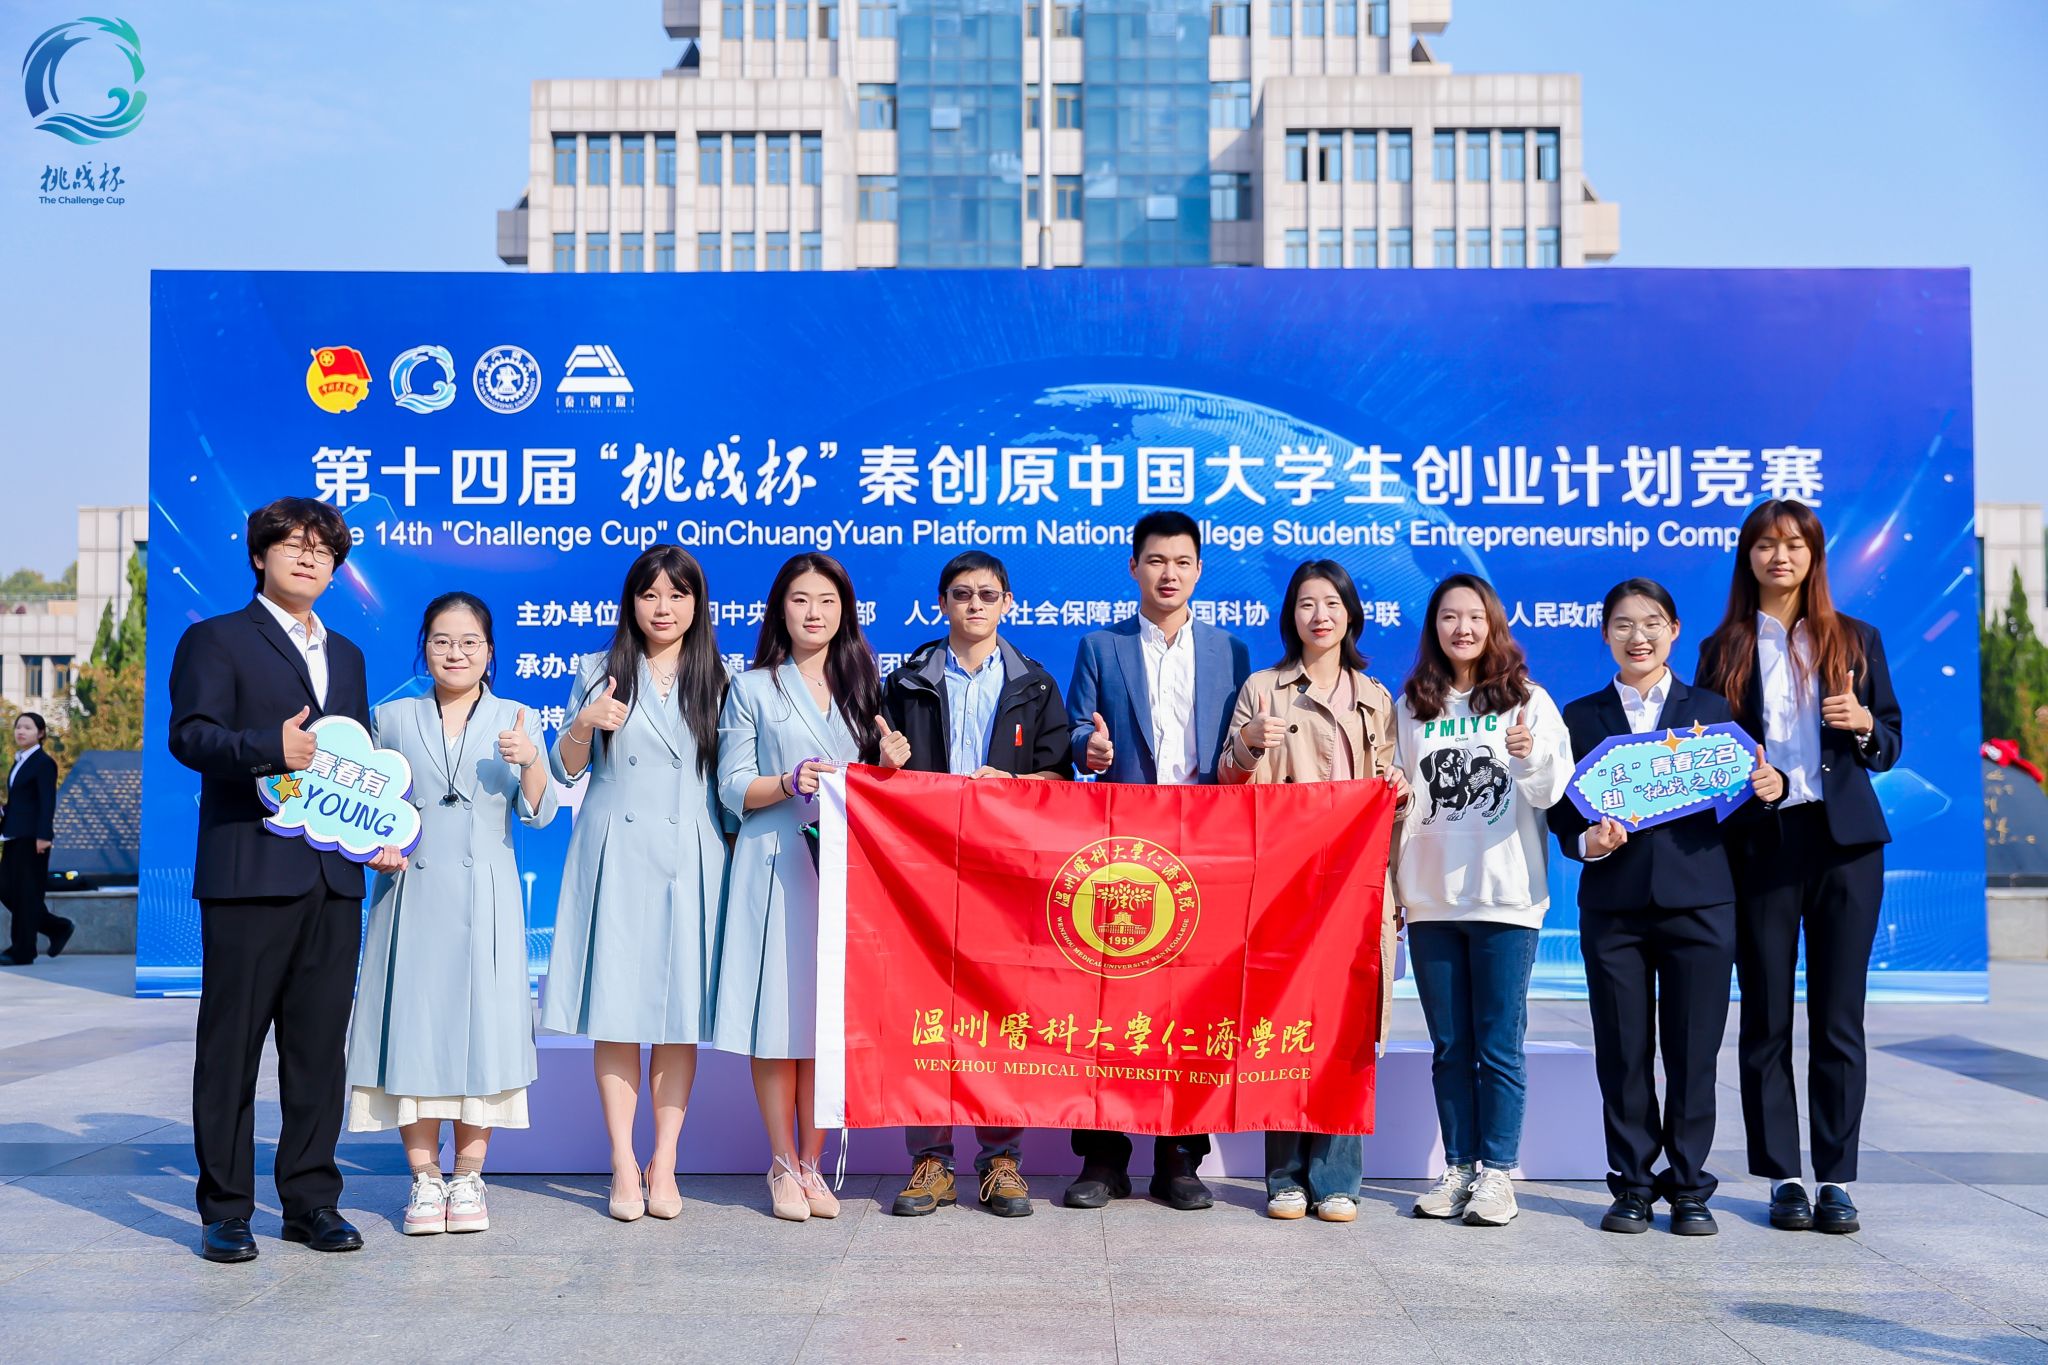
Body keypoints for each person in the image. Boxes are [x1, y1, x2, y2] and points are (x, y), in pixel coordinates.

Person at [167, 496, 390, 1263]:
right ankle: (226, 1209)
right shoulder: (216, 638)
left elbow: (355, 761)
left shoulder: (348, 656)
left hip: (332, 879)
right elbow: (190, 735)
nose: (309, 555)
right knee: (231, 1047)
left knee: (318, 1049)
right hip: (250, 872)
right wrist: (269, 746)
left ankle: (311, 1200)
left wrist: (376, 832)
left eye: (323, 548)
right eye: (292, 543)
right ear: (260, 555)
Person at [1547, 578, 1785, 1236]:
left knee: (1692, 1054)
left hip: (1701, 905)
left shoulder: (1712, 710)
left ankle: (1688, 1187)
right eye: (1623, 624)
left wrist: (1769, 787)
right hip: (1614, 908)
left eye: (1652, 622)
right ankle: (1631, 1185)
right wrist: (1585, 842)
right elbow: (1560, 810)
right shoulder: (1580, 716)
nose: (1639, 636)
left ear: (1674, 630)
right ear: (1605, 634)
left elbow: (1742, 810)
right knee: (1622, 1053)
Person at [1697, 499, 1901, 1236]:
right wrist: (1747, 783)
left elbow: (1891, 742)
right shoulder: (1723, 647)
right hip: (1764, 843)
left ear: (1814, 555)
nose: (1779, 557)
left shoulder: (1855, 638)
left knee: (1840, 1017)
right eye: (1765, 545)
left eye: (1793, 544)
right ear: (1747, 557)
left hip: (1846, 846)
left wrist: (1866, 725)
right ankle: (1783, 1175)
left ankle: (1836, 1178)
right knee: (1766, 1016)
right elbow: (1712, 754)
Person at [346, 592, 558, 1236]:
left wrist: (530, 762)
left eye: (469, 642)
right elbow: (362, 806)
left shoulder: (517, 717)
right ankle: (423, 1178)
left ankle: (468, 1175)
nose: (455, 653)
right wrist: (372, 847)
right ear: (425, 648)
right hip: (409, 894)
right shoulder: (390, 719)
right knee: (412, 1030)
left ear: (490, 651)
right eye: (442, 641)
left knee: (481, 1034)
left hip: (485, 898)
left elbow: (540, 813)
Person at [1062, 510, 1252, 1213]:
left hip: (1204, 843)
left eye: (1181, 561)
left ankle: (1179, 1157)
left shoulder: (1230, 652)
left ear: (1199, 570)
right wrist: (1089, 749)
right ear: (1134, 567)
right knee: (1107, 1000)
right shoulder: (1100, 645)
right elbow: (1076, 730)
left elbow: (1239, 744)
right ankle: (1103, 1157)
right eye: (1155, 560)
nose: (1168, 573)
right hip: (1120, 845)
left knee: (1195, 1000)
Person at [879, 551, 1072, 1220]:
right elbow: (877, 779)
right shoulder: (905, 682)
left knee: (1002, 1011)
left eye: (988, 595)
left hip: (1004, 876)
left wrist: (1013, 785)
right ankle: (931, 1160)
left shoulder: (1037, 685)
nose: (975, 605)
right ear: (942, 603)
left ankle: (1000, 1159)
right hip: (921, 872)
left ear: (1008, 603)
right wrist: (886, 766)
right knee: (924, 1010)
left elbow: (1060, 780)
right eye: (961, 594)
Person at [543, 546, 733, 1223]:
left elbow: (731, 778)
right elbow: (564, 771)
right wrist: (582, 724)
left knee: (679, 1019)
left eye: (677, 595)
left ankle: (665, 1160)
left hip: (691, 855)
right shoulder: (597, 671)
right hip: (617, 853)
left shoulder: (720, 678)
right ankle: (624, 1160)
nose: (663, 607)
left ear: (696, 605)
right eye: (650, 594)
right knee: (617, 1013)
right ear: (631, 602)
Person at [714, 552, 905, 1221]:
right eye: (800, 600)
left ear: (845, 611)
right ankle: (780, 1161)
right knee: (778, 1021)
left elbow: (876, 792)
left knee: (826, 1023)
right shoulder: (752, 687)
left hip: (842, 873)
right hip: (774, 865)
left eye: (827, 600)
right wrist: (786, 781)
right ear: (780, 610)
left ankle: (812, 1163)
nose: (814, 612)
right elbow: (731, 785)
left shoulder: (864, 686)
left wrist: (889, 766)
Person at [1218, 560, 1405, 1223]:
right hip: (1282, 889)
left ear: (1351, 614)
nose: (1319, 615)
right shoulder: (1262, 688)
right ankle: (1285, 1177)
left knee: (1346, 1027)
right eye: (1306, 603)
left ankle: (1338, 1177)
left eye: (1331, 603)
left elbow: (1391, 801)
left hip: (1355, 889)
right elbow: (1227, 787)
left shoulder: (1375, 697)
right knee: (1282, 1023)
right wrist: (1247, 745)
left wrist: (1400, 794)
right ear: (1290, 615)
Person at [1393, 572, 1570, 1228]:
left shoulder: (1528, 700)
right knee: (1449, 1046)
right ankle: (1459, 1167)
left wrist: (1526, 757)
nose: (1461, 628)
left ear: (1493, 624)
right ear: (1434, 628)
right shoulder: (1413, 704)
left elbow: (1552, 792)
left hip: (1504, 899)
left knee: (1498, 1044)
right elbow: (1400, 797)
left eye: (1473, 616)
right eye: (1449, 617)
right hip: (1433, 898)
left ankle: (1497, 1173)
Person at [1, 711, 70, 965]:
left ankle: (23, 950)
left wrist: (44, 835)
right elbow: (21, 802)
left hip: (33, 838)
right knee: (7, 889)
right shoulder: (20, 761)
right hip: (13, 834)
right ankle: (56, 927)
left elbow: (46, 802)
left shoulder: (43, 763)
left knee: (26, 894)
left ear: (40, 733)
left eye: (27, 727)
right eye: (18, 727)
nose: (21, 731)